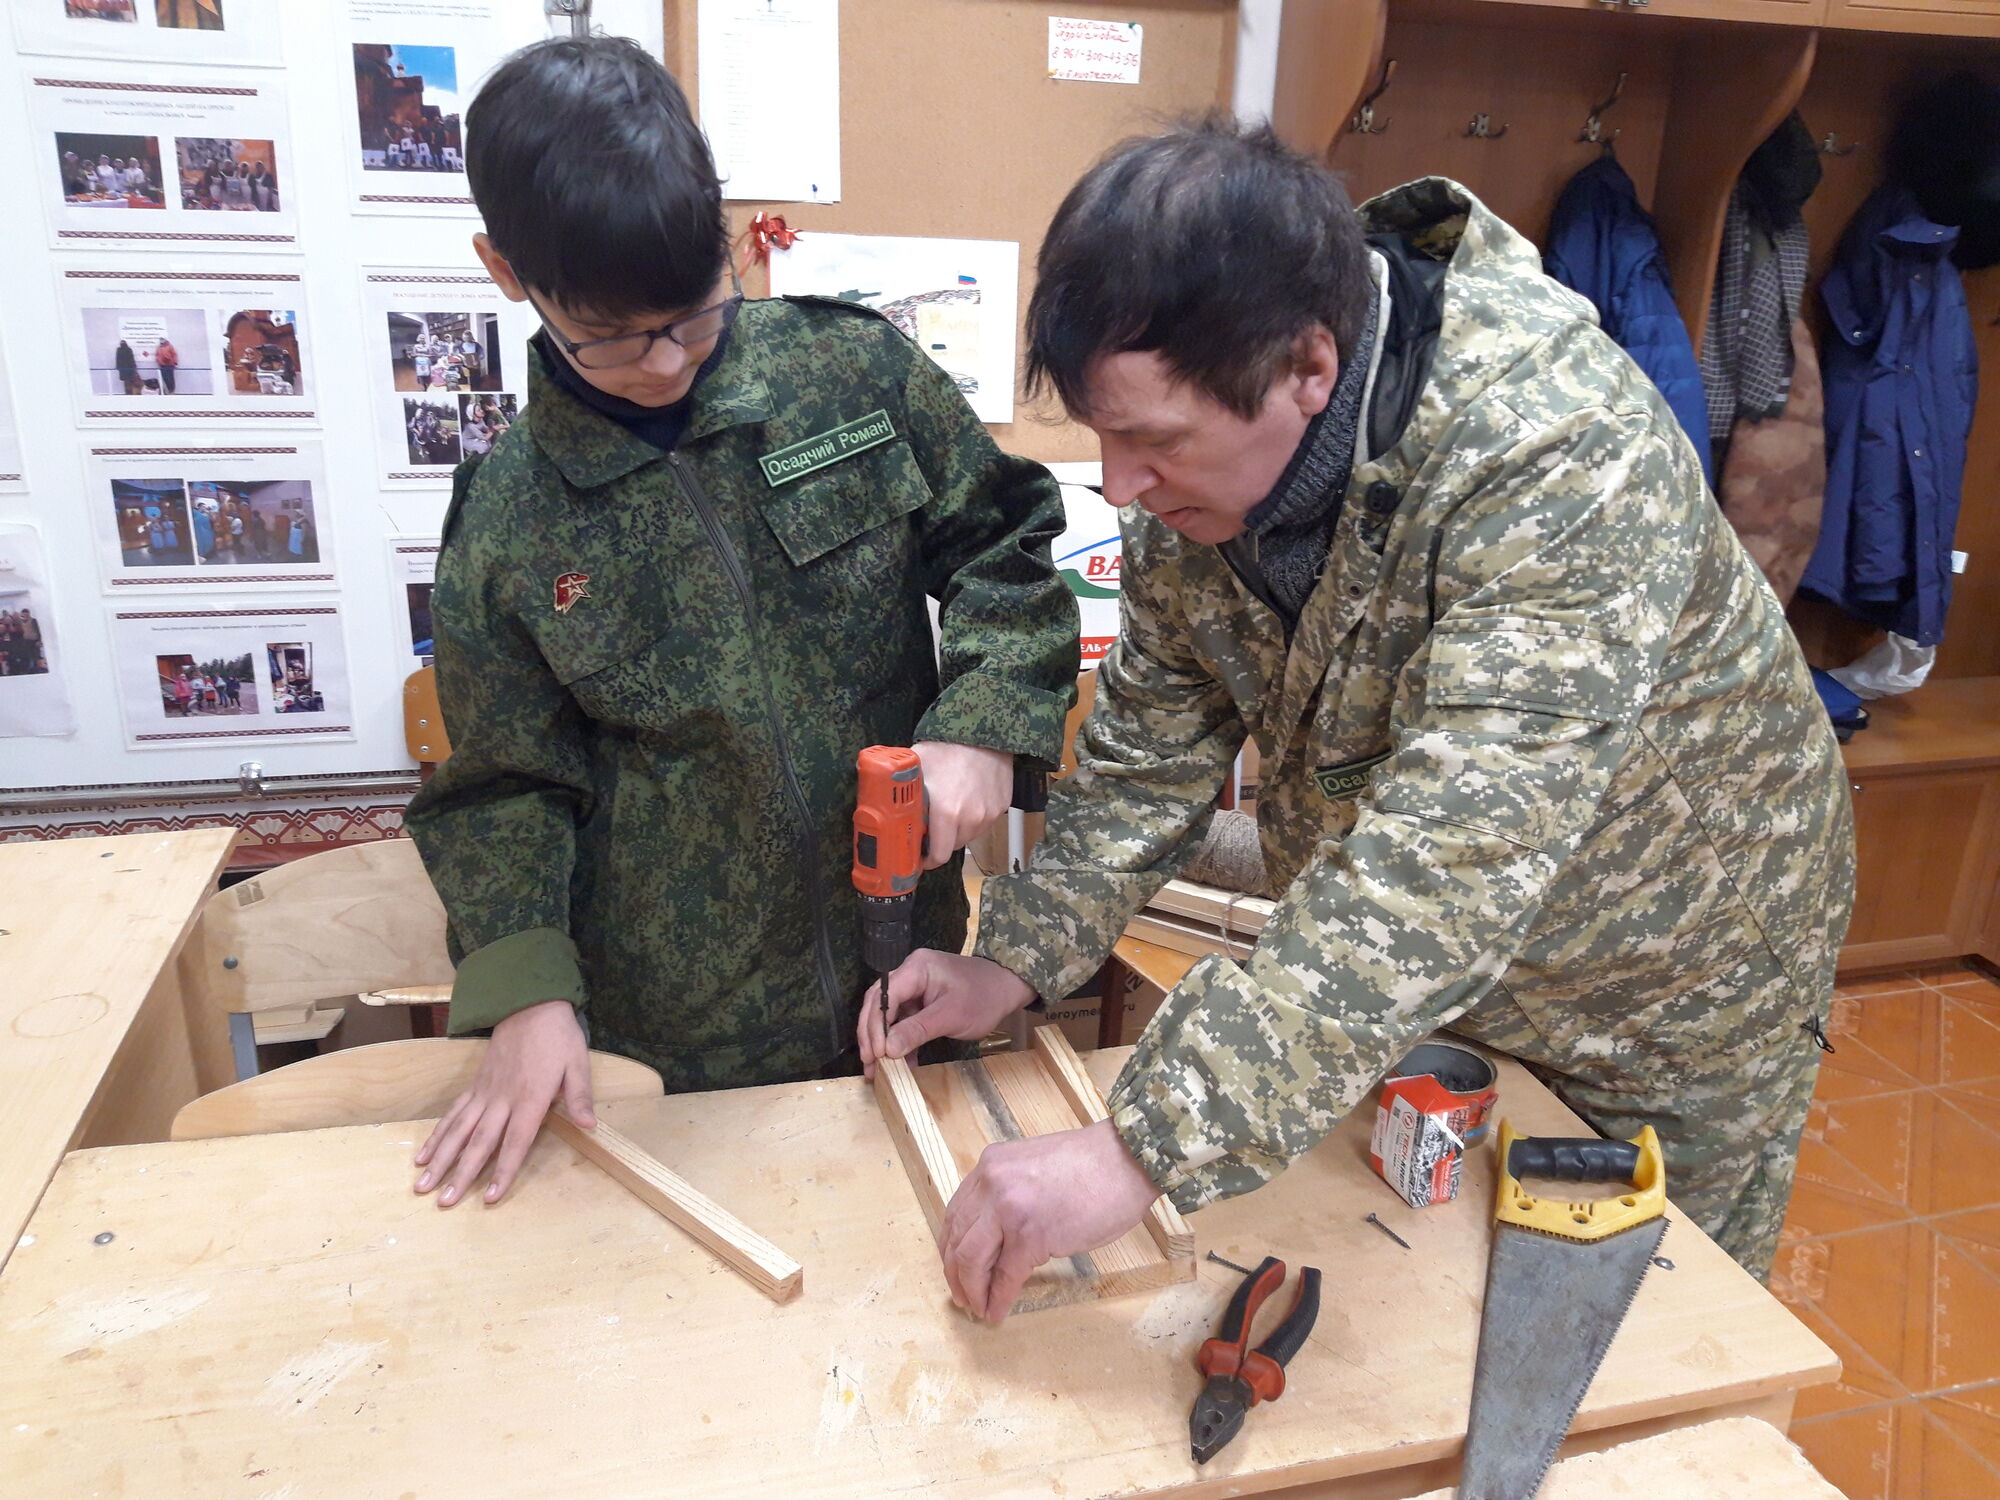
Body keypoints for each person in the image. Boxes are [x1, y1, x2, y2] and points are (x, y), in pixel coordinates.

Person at [861, 118, 1855, 1318]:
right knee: (1425, 1311)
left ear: (1309, 368)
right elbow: (1142, 758)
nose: (1117, 484)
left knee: (1655, 1336)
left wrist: (1141, 1144)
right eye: (1103, 438)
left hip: (1665, 985)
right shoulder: (1196, 491)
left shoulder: (1553, 447)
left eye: (1152, 442)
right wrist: (1014, 958)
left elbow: (1451, 857)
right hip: (1438, 977)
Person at [403, 36, 1079, 1211]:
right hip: (680, 1047)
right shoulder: (510, 523)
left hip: (905, 972)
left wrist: (980, 722)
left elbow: (1002, 540)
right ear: (504, 270)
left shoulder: (846, 373)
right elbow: (501, 789)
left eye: (695, 314)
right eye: (618, 334)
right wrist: (525, 993)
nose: (668, 360)